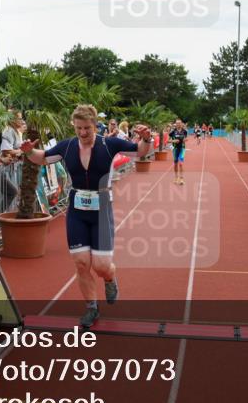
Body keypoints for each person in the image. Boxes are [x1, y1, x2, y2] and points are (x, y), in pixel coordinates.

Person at [21, 105, 152, 328]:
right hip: (77, 211)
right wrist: (28, 151)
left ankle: (110, 278)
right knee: (81, 263)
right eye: (79, 128)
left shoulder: (109, 144)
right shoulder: (68, 145)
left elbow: (139, 151)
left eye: (87, 129)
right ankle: (91, 307)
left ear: (95, 126)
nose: (83, 133)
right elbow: (42, 158)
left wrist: (146, 139)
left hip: (101, 209)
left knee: (101, 266)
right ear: (74, 126)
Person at [168, 118, 188, 185]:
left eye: (179, 123)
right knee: (176, 164)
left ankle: (182, 179)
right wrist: (174, 141)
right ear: (175, 124)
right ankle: (176, 177)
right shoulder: (173, 132)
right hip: (175, 149)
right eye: (177, 123)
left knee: (181, 164)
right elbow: (168, 140)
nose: (178, 124)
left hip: (182, 149)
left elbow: (186, 138)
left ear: (181, 124)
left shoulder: (184, 131)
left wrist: (185, 140)